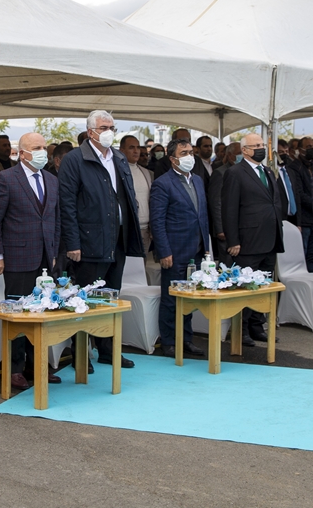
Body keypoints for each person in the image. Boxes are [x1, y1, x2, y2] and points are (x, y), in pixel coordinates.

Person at [58, 110, 143, 368]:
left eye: (112, 128)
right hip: (89, 241)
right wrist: (73, 243)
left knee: (110, 298)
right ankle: (81, 354)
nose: (109, 132)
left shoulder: (118, 157)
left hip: (117, 239)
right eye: (103, 127)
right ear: (90, 132)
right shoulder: (75, 160)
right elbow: (67, 204)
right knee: (84, 299)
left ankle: (107, 350)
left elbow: (127, 196)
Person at [0, 132, 61, 391]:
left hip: (45, 258)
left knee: (41, 312)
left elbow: (55, 218)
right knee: (18, 314)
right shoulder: (6, 179)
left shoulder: (51, 180)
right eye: (36, 148)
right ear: (23, 153)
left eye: (44, 147)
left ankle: (36, 364)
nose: (43, 152)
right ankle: (15, 368)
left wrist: (54, 250)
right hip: (18, 257)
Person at [219, 132, 284, 345]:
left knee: (264, 285)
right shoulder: (235, 173)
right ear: (245, 150)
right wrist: (233, 241)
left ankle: (257, 325)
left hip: (270, 238)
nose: (260, 149)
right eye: (256, 146)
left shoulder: (267, 171)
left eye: (262, 145)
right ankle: (241, 329)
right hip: (248, 240)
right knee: (246, 287)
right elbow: (229, 209)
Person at [148, 138, 208, 358]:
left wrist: (206, 247)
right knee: (171, 299)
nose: (189, 157)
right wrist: (164, 251)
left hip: (197, 250)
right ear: (172, 159)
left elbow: (202, 215)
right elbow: (157, 221)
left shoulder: (198, 180)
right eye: (184, 153)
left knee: (189, 298)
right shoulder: (163, 184)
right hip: (175, 251)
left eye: (191, 152)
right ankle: (169, 342)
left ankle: (186, 339)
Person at [120, 134, 160, 287]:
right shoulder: (118, 172)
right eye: (131, 147)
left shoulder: (147, 173)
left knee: (140, 272)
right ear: (122, 150)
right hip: (127, 230)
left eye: (137, 147)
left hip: (145, 229)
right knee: (126, 273)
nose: (136, 151)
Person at [288, 137, 313, 272]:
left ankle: (312, 279)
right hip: (304, 218)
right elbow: (299, 193)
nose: (312, 149)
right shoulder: (295, 167)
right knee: (302, 254)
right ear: (299, 150)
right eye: (308, 147)